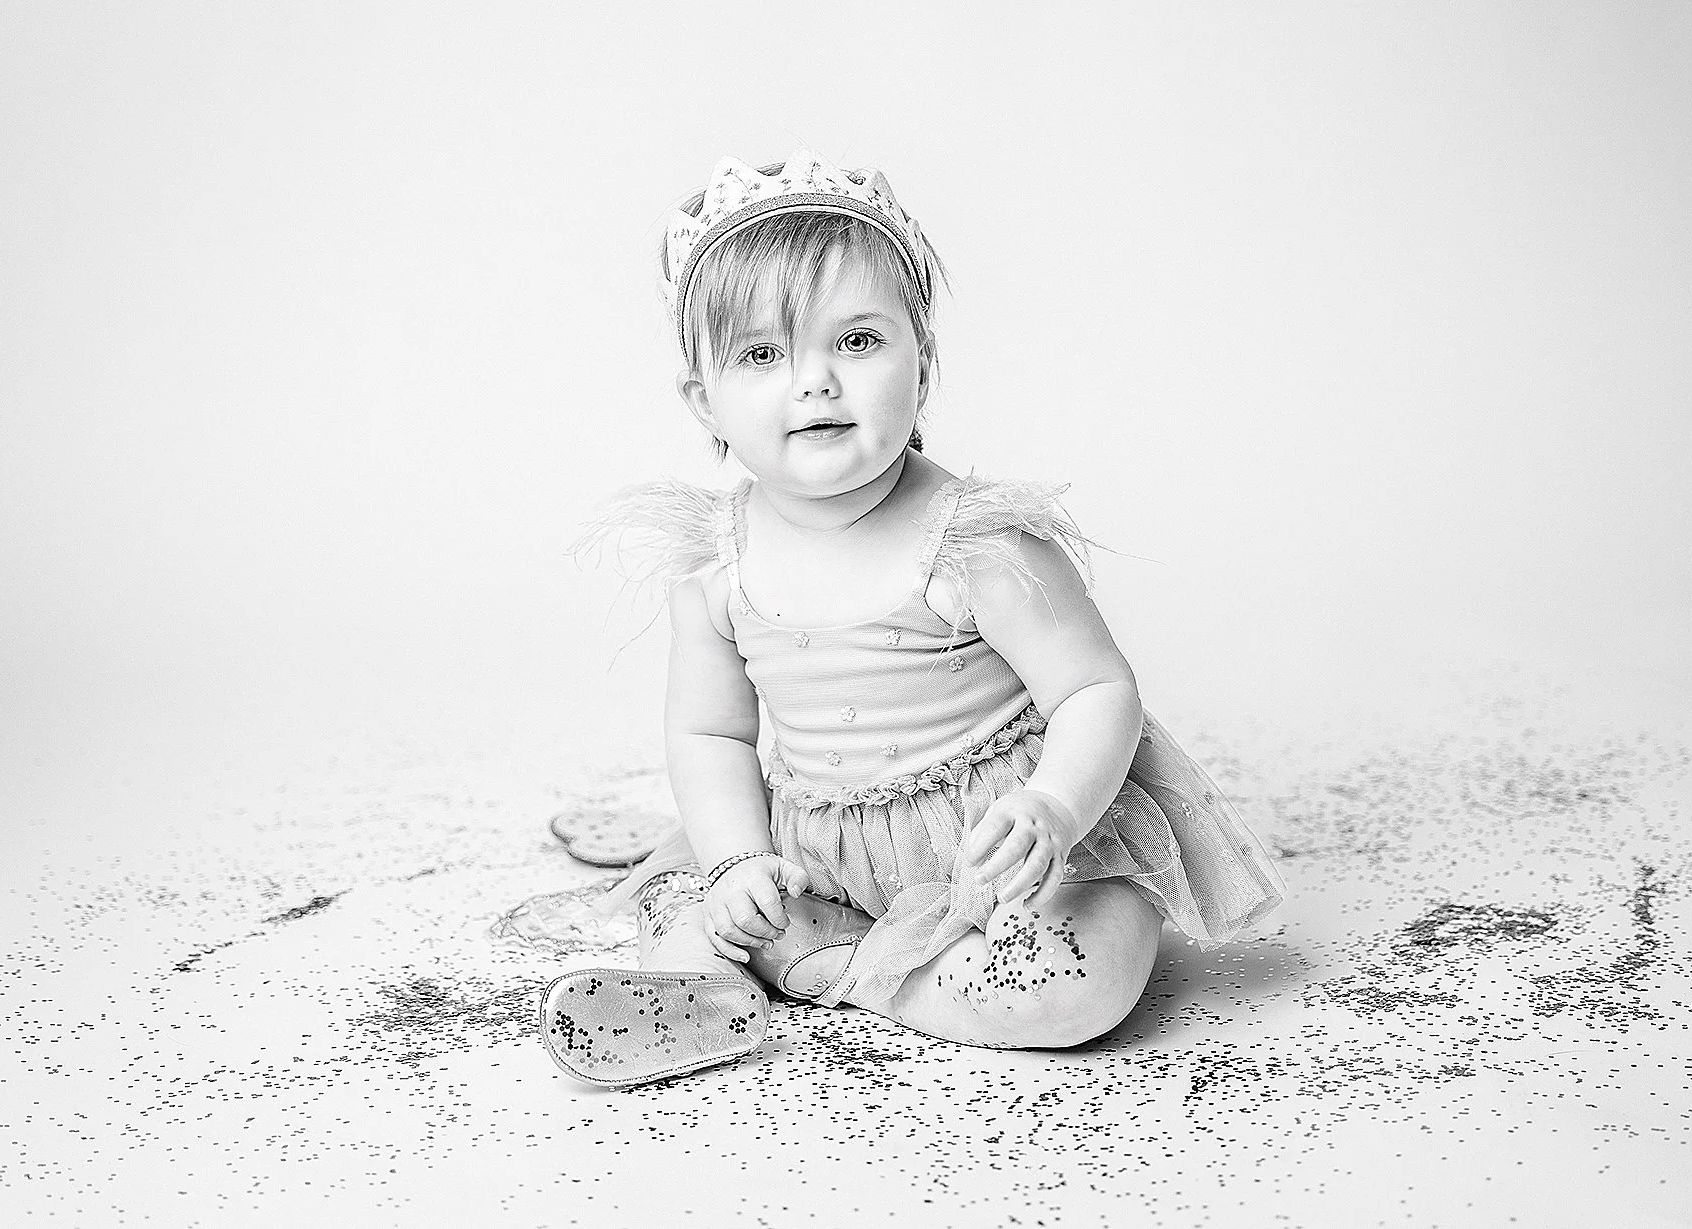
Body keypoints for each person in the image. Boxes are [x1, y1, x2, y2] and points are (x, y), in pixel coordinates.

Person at [527, 151, 1283, 1087]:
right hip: (817, 847)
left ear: (922, 362)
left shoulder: (976, 547)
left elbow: (1097, 689)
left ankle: (836, 971)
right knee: (702, 899)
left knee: (1082, 977)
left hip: (999, 862)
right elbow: (710, 731)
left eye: (856, 342)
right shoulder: (716, 565)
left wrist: (1053, 806)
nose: (816, 383)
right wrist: (736, 862)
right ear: (705, 403)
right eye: (763, 354)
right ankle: (724, 973)